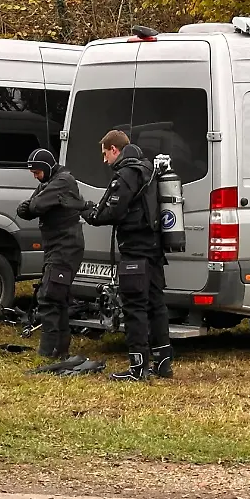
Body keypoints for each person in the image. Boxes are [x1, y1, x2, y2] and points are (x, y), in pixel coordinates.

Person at [81, 130, 173, 381]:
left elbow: (108, 213)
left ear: (114, 150)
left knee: (135, 308)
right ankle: (163, 363)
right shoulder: (149, 171)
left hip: (136, 252)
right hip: (154, 251)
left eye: (105, 154)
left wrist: (87, 211)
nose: (104, 161)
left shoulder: (127, 175)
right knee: (156, 305)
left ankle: (138, 368)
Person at [16, 148, 86, 365]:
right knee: (59, 298)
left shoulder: (63, 181)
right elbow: (23, 210)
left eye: (37, 172)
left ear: (46, 168)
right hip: (56, 247)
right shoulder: (49, 183)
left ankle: (48, 350)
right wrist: (34, 204)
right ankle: (59, 348)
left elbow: (34, 206)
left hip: (66, 247)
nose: (35, 176)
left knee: (49, 296)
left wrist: (35, 205)